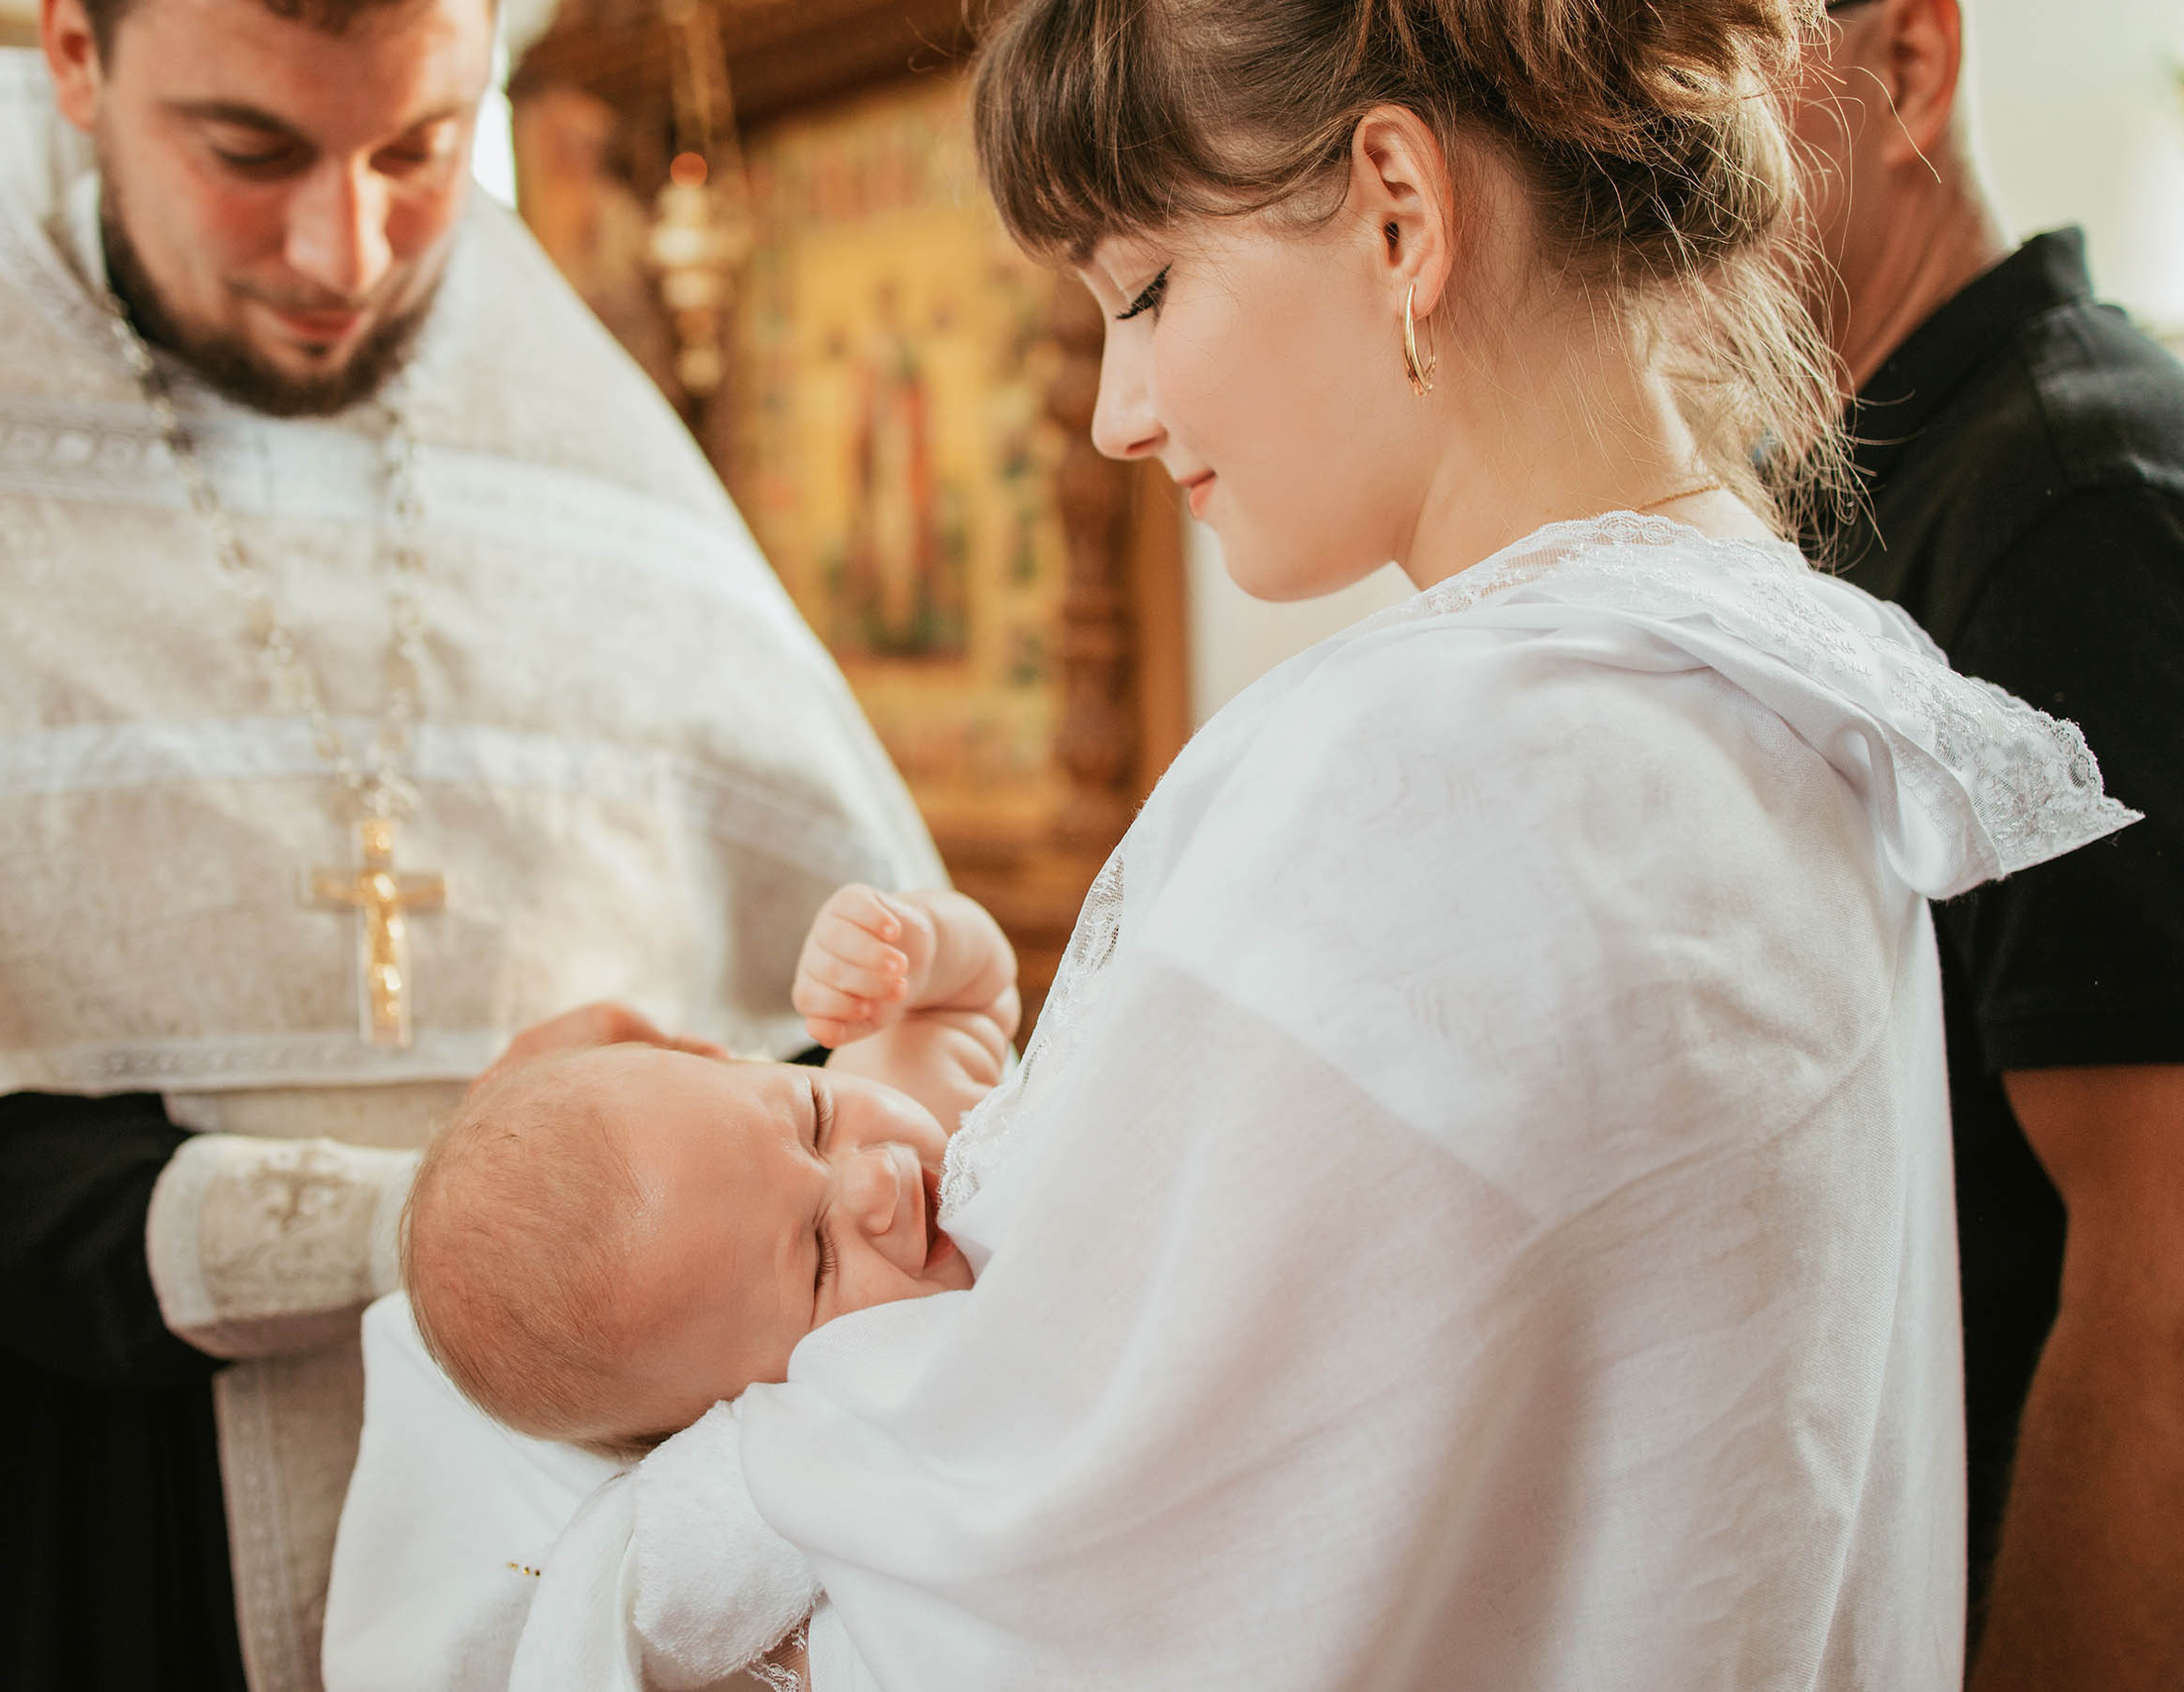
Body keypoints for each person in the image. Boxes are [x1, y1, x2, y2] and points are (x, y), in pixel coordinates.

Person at [326, 0, 2136, 1685]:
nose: (1116, 411)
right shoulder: (1774, 690)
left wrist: (616, 1529)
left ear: (1400, 212)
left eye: (1146, 289)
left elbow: (1039, 1581)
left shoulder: (1424, 772)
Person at [0, 0, 941, 1687]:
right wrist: (413, 1230)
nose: (349, 251)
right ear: (76, 53)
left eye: (418, 148)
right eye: (251, 150)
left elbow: (816, 999)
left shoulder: (579, 438)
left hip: (612, 1501)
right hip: (121, 1518)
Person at [1790, 3, 2184, 1684]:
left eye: (1691, 69)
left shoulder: (2069, 496)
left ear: (1909, 65)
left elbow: (2162, 1267)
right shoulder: (1862, 494)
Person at [403, 883, 1011, 1453]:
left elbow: (976, 991)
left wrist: (918, 944)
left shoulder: (914, 1085)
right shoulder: (872, 1450)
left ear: (737, 1062)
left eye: (817, 1118)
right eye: (820, 1262)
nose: (875, 1180)